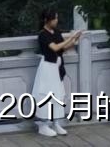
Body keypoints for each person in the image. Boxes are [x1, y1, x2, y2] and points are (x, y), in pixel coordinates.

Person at [32, 9, 79, 138]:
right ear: (47, 20)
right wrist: (70, 38)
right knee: (46, 95)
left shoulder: (57, 32)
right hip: (47, 67)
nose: (56, 21)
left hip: (57, 67)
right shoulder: (43, 35)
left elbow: (62, 48)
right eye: (54, 18)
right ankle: (44, 124)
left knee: (58, 94)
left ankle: (56, 122)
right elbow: (55, 47)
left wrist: (74, 40)